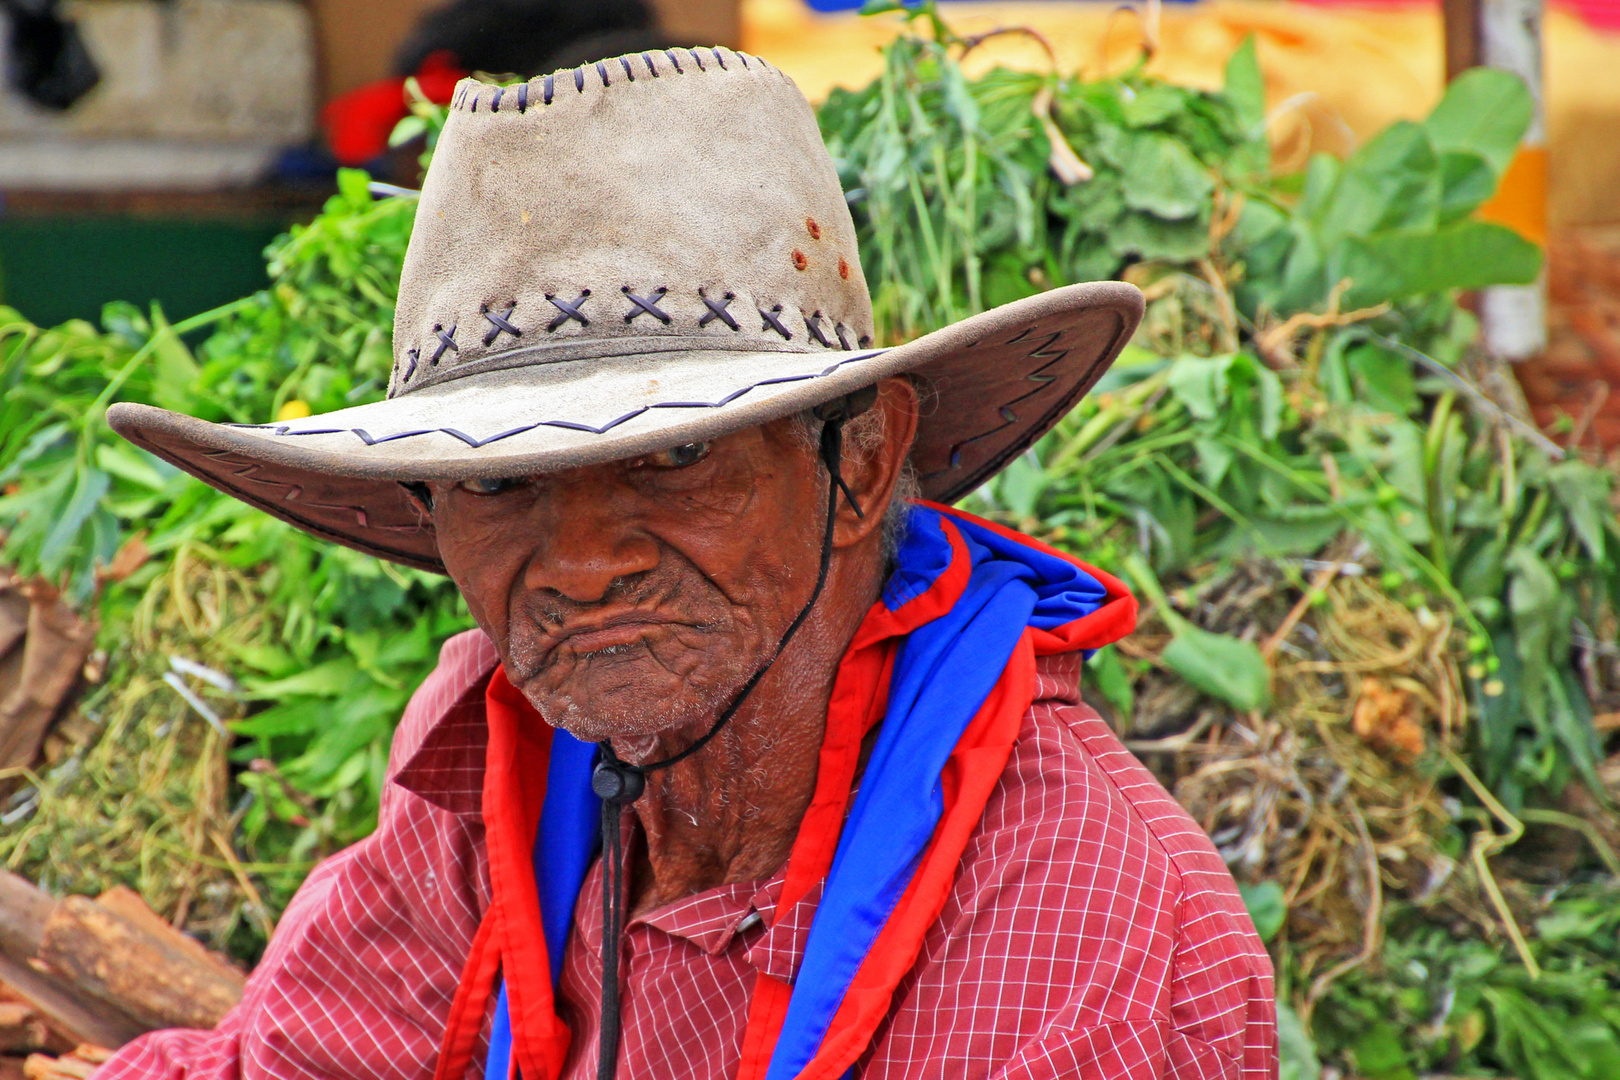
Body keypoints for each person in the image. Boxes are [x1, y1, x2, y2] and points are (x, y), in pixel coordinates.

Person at [104, 46, 1276, 1080]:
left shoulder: (1074, 910)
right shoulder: (501, 776)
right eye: (500, 485)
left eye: (672, 462)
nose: (581, 563)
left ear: (859, 465)